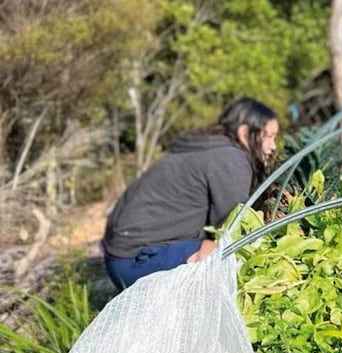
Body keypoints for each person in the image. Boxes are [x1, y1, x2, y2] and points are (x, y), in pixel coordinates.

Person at [102, 97, 279, 290]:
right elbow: (231, 228)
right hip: (133, 262)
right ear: (244, 133)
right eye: (268, 137)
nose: (273, 147)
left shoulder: (209, 147)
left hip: (120, 256)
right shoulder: (230, 159)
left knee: (216, 248)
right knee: (224, 255)